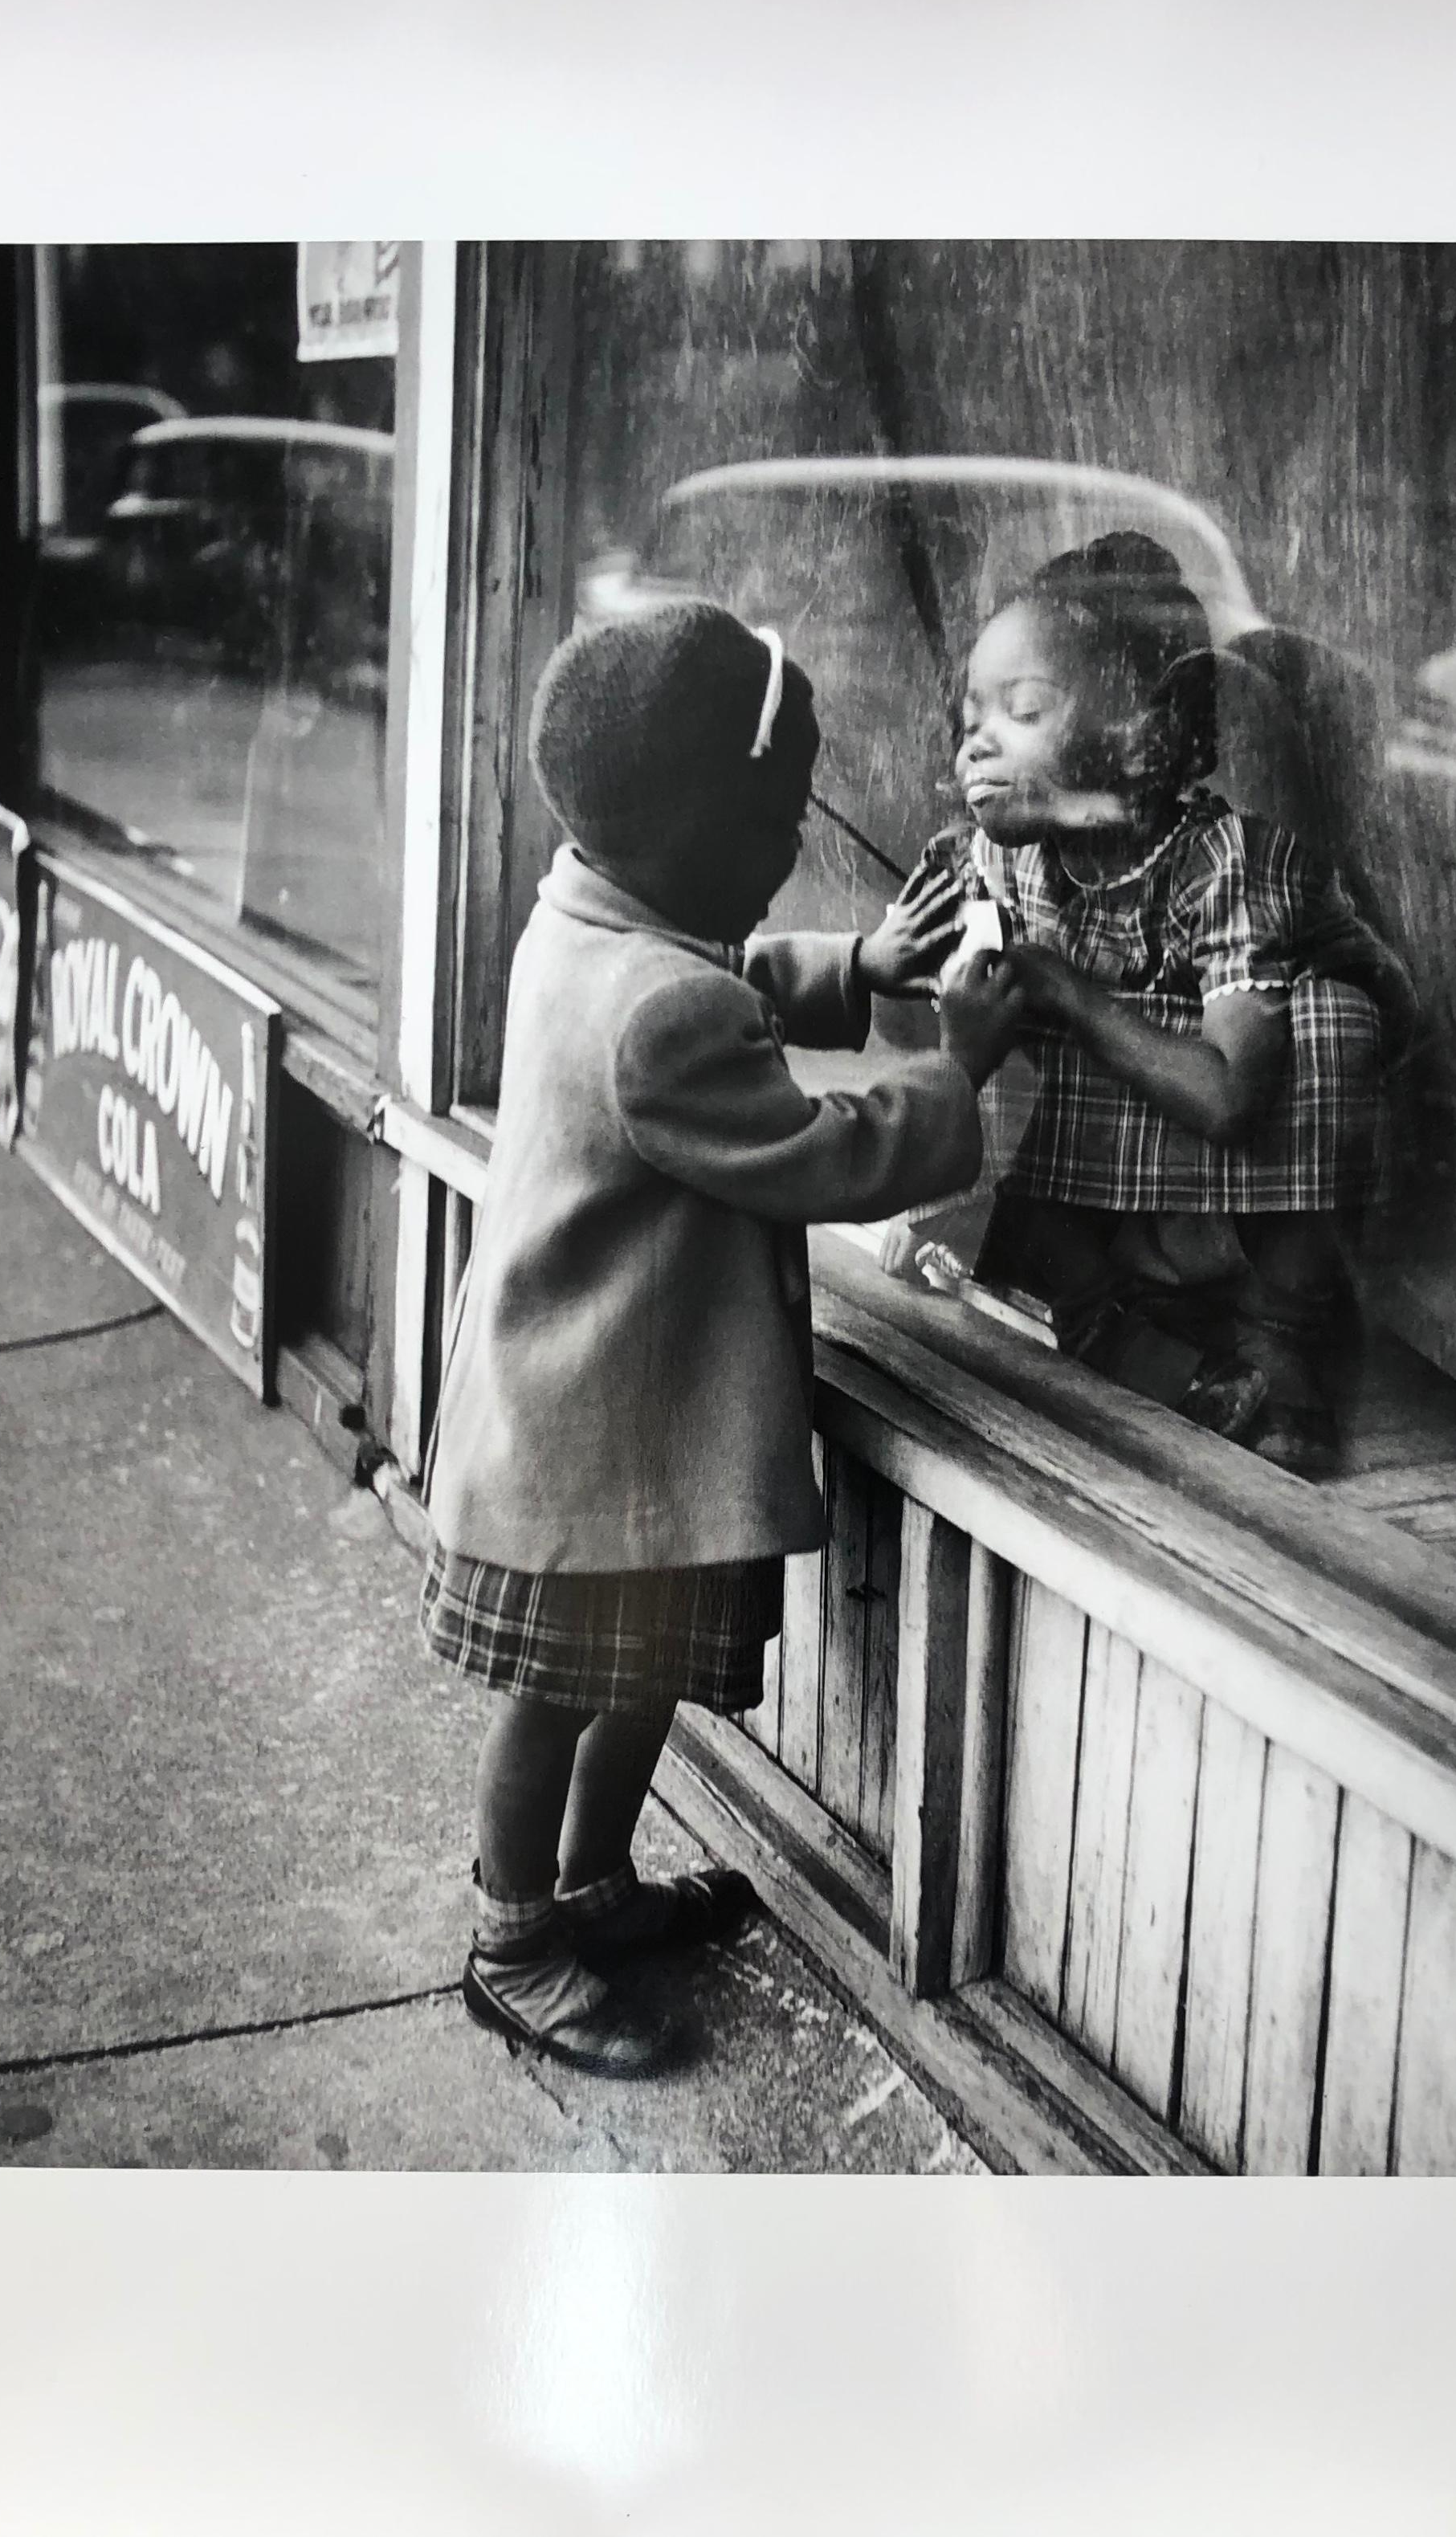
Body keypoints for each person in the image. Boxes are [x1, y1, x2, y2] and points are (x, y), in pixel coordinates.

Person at [419, 599, 1022, 2078]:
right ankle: (512, 1939)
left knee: (637, 1681)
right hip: (590, 1446)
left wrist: (857, 962)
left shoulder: (588, 915)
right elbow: (823, 1154)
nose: (792, 839)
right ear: (700, 832)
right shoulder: (657, 1016)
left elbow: (720, 976)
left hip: (609, 1425)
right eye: (778, 816)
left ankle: (593, 1886)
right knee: (559, 1696)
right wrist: (956, 1066)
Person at [884, 532, 1414, 1477]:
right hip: (1097, 1196)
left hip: (1233, 1182)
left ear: (1140, 737)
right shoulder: (993, 856)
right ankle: (1108, 1319)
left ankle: (1273, 1338)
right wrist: (922, 971)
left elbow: (1225, 1098)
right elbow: (898, 1015)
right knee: (1005, 1045)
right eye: (971, 713)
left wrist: (1059, 987)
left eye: (1024, 708)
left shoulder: (1224, 863)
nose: (975, 740)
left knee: (1332, 1023)